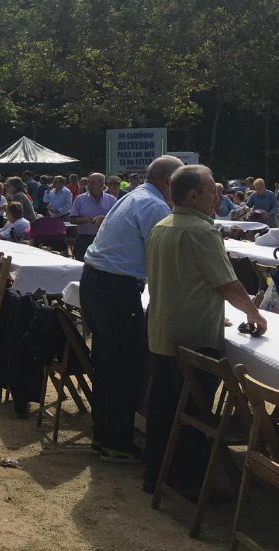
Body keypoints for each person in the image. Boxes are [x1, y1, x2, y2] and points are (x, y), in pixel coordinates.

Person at [143, 164, 268, 493]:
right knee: (193, 414)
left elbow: (181, 280)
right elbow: (228, 284)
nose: (218, 198)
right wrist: (255, 315)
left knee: (163, 409)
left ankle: (155, 475)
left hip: (162, 331)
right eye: (213, 192)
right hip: (194, 337)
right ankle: (189, 482)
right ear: (194, 195)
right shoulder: (202, 231)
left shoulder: (162, 225)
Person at [80, 155, 184, 463]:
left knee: (106, 365)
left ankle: (104, 436)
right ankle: (116, 443)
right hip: (115, 289)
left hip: (97, 283)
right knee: (123, 368)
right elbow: (161, 259)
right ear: (169, 182)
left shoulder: (135, 197)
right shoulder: (155, 206)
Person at [69, 173, 117, 261]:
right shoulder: (80, 199)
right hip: (84, 239)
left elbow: (118, 220)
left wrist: (104, 218)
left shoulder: (111, 200)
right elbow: (72, 219)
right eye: (88, 182)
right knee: (82, 267)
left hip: (104, 240)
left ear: (102, 184)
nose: (89, 185)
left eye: (92, 183)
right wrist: (86, 220)